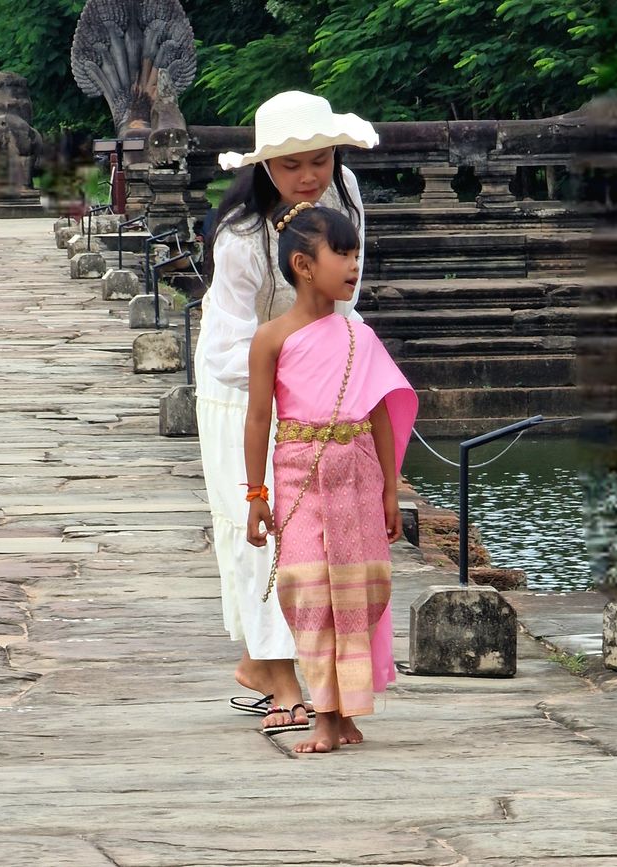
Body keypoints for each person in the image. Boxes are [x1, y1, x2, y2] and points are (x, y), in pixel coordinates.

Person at [194, 91, 379, 737]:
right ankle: (277, 674)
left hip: (316, 389)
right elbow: (223, 347)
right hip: (243, 390)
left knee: (314, 536)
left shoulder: (345, 194)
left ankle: (262, 662)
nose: (310, 176)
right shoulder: (243, 236)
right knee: (261, 531)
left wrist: (345, 382)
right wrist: (290, 364)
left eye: (321, 160)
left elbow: (345, 296)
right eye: (293, 164)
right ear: (265, 166)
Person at [244, 203, 418, 752]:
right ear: (302, 263)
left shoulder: (357, 337)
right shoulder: (270, 338)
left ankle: (344, 713)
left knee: (357, 592)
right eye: (341, 253)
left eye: (355, 253)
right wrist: (255, 494)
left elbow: (378, 415)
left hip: (357, 477)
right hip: (299, 476)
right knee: (309, 592)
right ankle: (323, 713)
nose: (353, 264)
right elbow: (258, 419)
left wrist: (391, 488)